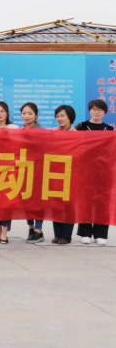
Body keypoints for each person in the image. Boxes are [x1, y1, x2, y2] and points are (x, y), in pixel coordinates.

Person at [75, 99, 113, 246]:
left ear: (105, 112)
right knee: (85, 201)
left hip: (103, 171)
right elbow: (72, 143)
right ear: (89, 110)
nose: (96, 112)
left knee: (102, 203)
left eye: (100, 110)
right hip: (84, 170)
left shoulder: (109, 129)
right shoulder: (82, 127)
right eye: (94, 109)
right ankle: (85, 233)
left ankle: (101, 234)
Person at [0, 101, 18, 244]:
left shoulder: (14, 128)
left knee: (7, 202)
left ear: (7, 114)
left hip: (9, 169)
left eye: (2, 111)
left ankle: (5, 232)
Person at [50, 105, 76, 245]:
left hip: (71, 174)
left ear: (70, 117)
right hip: (55, 173)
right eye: (57, 116)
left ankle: (66, 236)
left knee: (68, 205)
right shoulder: (53, 132)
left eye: (62, 116)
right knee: (56, 204)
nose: (59, 119)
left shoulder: (77, 134)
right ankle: (57, 233)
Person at [20, 102, 45, 243]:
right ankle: (31, 228)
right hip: (24, 170)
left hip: (38, 171)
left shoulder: (41, 131)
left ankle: (39, 230)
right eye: (24, 113)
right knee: (26, 200)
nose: (27, 116)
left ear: (36, 115)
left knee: (38, 201)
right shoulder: (19, 131)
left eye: (30, 113)